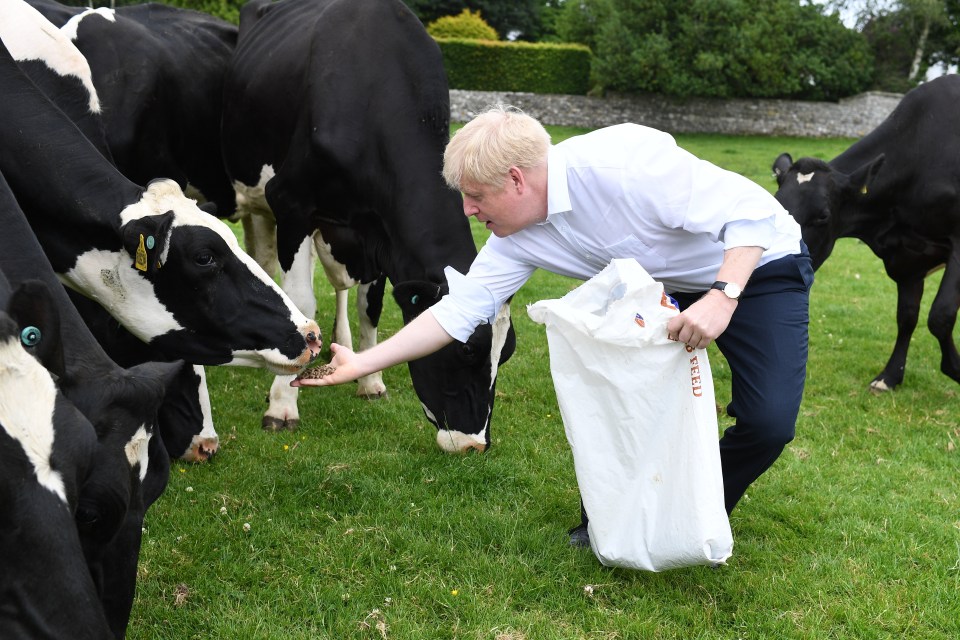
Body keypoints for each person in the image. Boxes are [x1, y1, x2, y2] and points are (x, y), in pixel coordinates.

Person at [293, 105, 814, 548]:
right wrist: (363, 360)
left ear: (517, 179)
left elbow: (750, 215)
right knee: (632, 405)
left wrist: (723, 298)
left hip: (758, 265)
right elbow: (457, 313)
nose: (469, 210)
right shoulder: (513, 235)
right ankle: (613, 522)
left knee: (768, 423)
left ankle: (699, 508)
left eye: (476, 196)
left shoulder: (625, 165)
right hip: (661, 285)